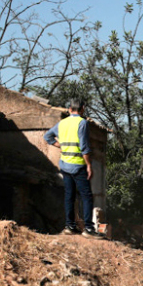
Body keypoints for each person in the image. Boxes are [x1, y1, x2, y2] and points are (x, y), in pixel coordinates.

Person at [45, 100, 102, 237]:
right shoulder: (82, 123)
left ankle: (70, 226)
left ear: (70, 109)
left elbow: (47, 136)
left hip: (64, 164)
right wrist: (89, 165)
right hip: (78, 165)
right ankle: (88, 229)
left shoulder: (62, 123)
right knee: (86, 197)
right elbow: (84, 147)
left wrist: (61, 145)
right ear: (82, 109)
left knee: (69, 196)